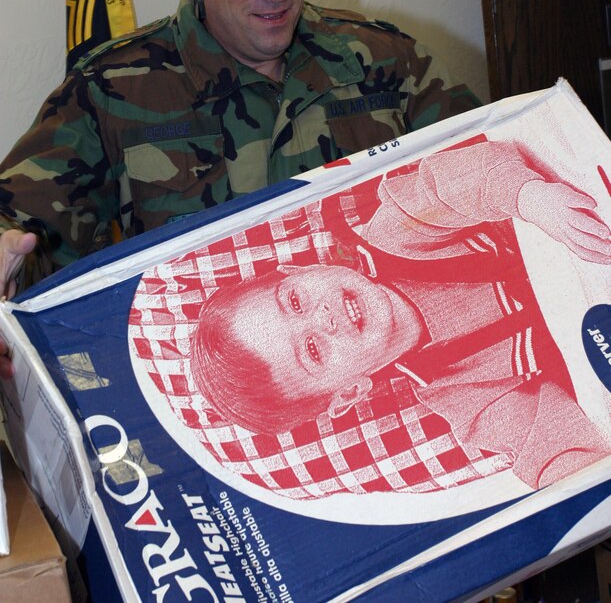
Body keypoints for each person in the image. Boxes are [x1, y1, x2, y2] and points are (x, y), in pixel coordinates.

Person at [0, 0, 481, 378]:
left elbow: (489, 165)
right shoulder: (113, 87)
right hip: (213, 392)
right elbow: (22, 226)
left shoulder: (390, 61)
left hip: (382, 371)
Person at [186, 137, 610, 495]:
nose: (325, 318)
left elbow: (469, 174)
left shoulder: (398, 226)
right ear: (349, 393)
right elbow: (545, 441)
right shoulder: (459, 396)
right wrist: (569, 483)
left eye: (295, 301)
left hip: (583, 203)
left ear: (299, 270)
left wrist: (530, 199)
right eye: (313, 350)